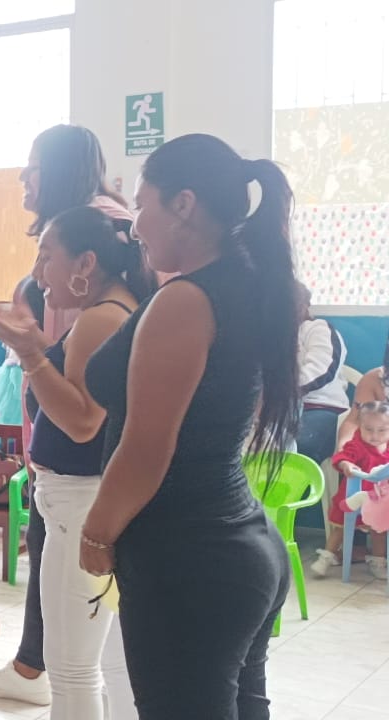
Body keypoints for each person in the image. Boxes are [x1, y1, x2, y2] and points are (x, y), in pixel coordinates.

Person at [80, 134, 296, 718]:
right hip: (237, 543)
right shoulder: (243, 283)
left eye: (141, 205)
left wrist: (97, 532)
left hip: (190, 560)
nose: (134, 226)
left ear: (184, 205)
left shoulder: (186, 301)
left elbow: (148, 447)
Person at [0, 123, 135, 708]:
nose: (41, 274)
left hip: (83, 489)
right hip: (75, 484)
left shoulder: (99, 314)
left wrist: (32, 352)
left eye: (47, 258)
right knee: (105, 662)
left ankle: (33, 671)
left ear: (86, 261)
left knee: (77, 667)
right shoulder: (103, 297)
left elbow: (83, 417)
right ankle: (32, 667)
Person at [311, 401, 389, 579]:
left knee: (378, 530)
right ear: (360, 426)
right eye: (368, 429)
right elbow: (341, 457)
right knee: (341, 528)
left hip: (378, 499)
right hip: (352, 496)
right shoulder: (357, 444)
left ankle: (378, 561)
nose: (374, 435)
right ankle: (326, 558)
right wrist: (346, 464)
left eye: (382, 430)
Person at [295, 282, 349, 467]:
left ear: (305, 305)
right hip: (280, 409)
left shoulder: (318, 328)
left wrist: (283, 392)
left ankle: (301, 488)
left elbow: (322, 368)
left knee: (301, 446)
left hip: (321, 407)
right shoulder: (270, 337)